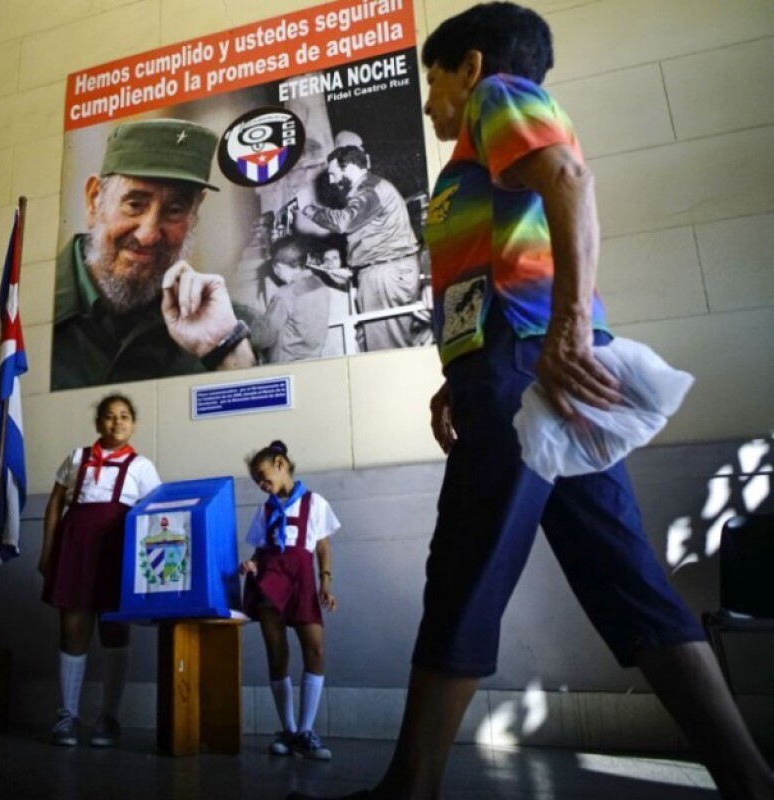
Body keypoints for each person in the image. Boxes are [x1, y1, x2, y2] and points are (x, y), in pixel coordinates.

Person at [292, 4, 774, 799]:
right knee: (627, 579)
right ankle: (749, 778)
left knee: (463, 566)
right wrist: (460, 370)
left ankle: (409, 787)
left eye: (433, 77)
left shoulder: (500, 96)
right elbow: (500, 260)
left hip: (526, 369)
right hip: (515, 368)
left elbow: (569, 179)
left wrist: (568, 327)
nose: (427, 99)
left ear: (471, 66)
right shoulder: (474, 152)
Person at [51, 118, 257, 389]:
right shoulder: (26, 306)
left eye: (174, 210)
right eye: (134, 204)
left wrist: (224, 349)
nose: (148, 235)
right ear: (94, 200)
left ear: (195, 213)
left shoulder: (228, 325)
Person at [39, 394, 160, 748]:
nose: (116, 422)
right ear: (98, 424)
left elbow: (157, 516)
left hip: (117, 553)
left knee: (114, 630)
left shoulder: (143, 467)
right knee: (72, 626)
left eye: (124, 416)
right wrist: (48, 551)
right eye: (109, 416)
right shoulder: (77, 457)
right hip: (75, 548)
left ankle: (110, 716)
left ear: (133, 424)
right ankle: (67, 715)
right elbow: (53, 505)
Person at [241, 440, 339, 761]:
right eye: (256, 480)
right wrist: (252, 564)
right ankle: (288, 728)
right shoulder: (264, 509)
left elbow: (322, 547)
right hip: (270, 582)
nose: (261, 483)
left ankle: (305, 732)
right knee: (276, 653)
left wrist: (325, 583)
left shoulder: (315, 502)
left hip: (302, 581)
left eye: (263, 475)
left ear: (281, 464)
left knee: (316, 648)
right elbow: (259, 550)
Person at [303, 145, 421, 352]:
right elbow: (372, 236)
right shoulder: (371, 189)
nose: (331, 181)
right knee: (379, 342)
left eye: (333, 174)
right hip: (387, 271)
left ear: (348, 167)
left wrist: (308, 208)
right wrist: (355, 269)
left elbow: (343, 222)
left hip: (385, 274)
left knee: (385, 348)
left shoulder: (369, 190)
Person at [251, 238, 333, 363]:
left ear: (277, 268)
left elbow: (263, 340)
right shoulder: (320, 285)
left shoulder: (285, 295)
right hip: (314, 360)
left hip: (285, 365)